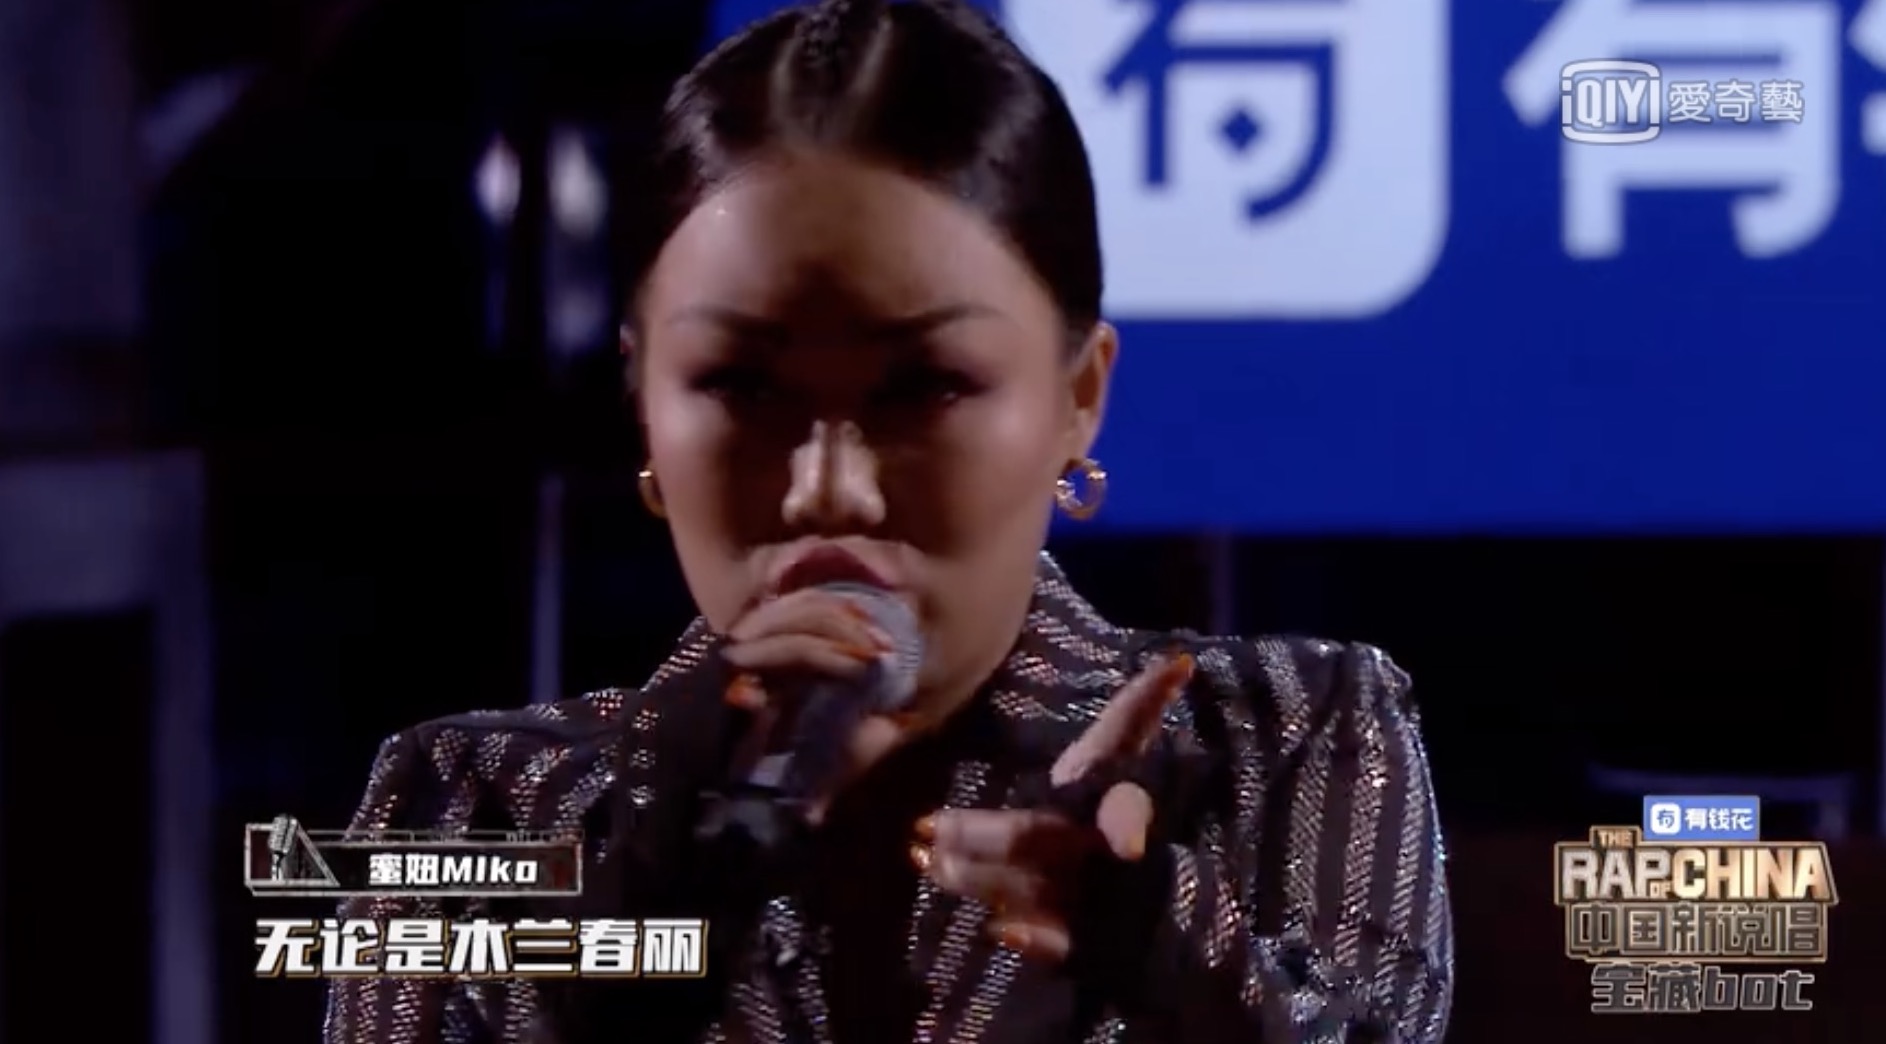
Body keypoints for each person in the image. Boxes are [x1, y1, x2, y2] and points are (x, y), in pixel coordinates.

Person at [324, 0, 1453, 1041]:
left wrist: (1170, 960)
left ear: (1078, 397)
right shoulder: (469, 802)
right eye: (741, 385)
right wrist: (655, 904)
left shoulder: (1281, 736)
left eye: (924, 387)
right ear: (645, 403)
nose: (830, 489)